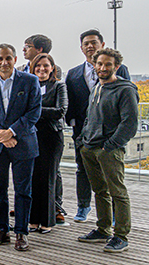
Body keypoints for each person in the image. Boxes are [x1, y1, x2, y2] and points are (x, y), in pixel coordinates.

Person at [0, 43, 41, 251]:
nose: (4, 62)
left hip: (23, 143)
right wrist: (2, 136)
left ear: (15, 60)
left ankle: (21, 232)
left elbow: (34, 112)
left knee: (23, 191)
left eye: (8, 58)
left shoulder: (30, 81)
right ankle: (2, 229)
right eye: (0, 59)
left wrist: (12, 132)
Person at [65, 29, 131, 223]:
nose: (90, 46)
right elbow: (74, 104)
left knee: (115, 185)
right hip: (85, 137)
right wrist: (78, 133)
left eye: (94, 42)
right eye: (86, 43)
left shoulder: (122, 79)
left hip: (110, 139)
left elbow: (128, 117)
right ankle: (88, 211)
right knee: (88, 177)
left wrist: (112, 142)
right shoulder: (76, 74)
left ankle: (119, 228)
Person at [76, 48, 137, 253]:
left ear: (116, 66)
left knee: (117, 192)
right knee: (99, 191)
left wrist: (110, 145)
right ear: (95, 65)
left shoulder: (125, 89)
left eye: (108, 64)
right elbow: (89, 117)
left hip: (108, 150)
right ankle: (103, 229)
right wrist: (82, 140)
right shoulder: (96, 88)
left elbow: (129, 123)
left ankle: (121, 236)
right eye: (99, 64)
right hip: (89, 147)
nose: (103, 68)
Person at [28, 53, 67, 234]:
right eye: (38, 66)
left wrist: (35, 111)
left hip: (51, 136)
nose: (41, 69)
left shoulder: (59, 86)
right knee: (33, 179)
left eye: (45, 66)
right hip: (31, 136)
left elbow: (60, 111)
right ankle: (33, 220)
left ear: (52, 68)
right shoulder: (29, 85)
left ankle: (47, 221)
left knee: (48, 179)